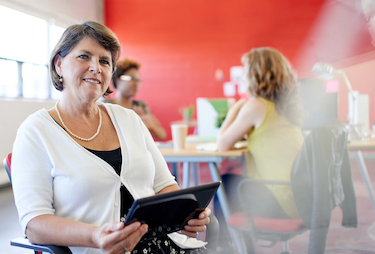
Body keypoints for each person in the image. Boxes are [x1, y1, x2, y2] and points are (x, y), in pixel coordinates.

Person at [11, 21, 211, 254]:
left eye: (104, 61)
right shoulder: (35, 132)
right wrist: (95, 236)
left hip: (164, 245)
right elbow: (35, 224)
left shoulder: (129, 119)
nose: (96, 67)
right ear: (59, 64)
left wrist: (184, 212)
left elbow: (163, 185)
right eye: (84, 56)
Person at [215, 47, 304, 251]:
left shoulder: (256, 106)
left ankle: (227, 247)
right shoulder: (284, 107)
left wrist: (235, 108)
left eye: (245, 72)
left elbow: (222, 143)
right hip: (300, 198)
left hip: (280, 202)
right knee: (234, 180)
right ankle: (235, 245)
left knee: (225, 181)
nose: (243, 77)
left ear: (255, 74)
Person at [107, 57, 167, 140]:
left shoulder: (140, 106)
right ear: (117, 80)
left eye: (137, 80)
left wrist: (152, 125)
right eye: (131, 79)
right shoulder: (106, 106)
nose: (136, 84)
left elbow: (162, 135)